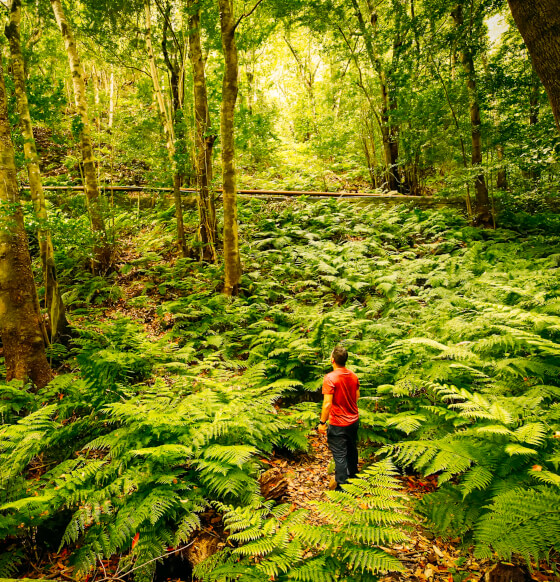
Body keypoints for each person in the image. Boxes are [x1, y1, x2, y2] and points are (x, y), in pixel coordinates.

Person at [317, 345, 360, 490]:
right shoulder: (354, 376)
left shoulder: (330, 378)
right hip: (353, 420)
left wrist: (322, 422)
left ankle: (342, 487)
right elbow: (356, 397)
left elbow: (327, 403)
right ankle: (354, 477)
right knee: (352, 449)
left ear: (332, 360)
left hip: (338, 423)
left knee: (340, 455)